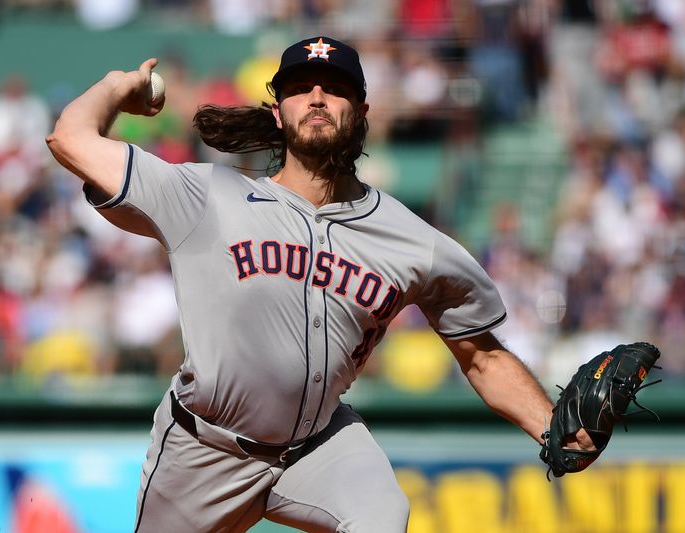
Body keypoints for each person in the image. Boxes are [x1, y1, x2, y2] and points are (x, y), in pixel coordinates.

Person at [46, 36, 594, 533]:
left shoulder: (414, 240)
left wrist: (554, 428)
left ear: (361, 112)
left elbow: (481, 357)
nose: (315, 97)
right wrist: (120, 88)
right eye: (298, 88)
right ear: (277, 113)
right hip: (203, 449)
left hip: (319, 447)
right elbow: (70, 138)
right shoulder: (206, 195)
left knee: (383, 516)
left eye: (334, 89)